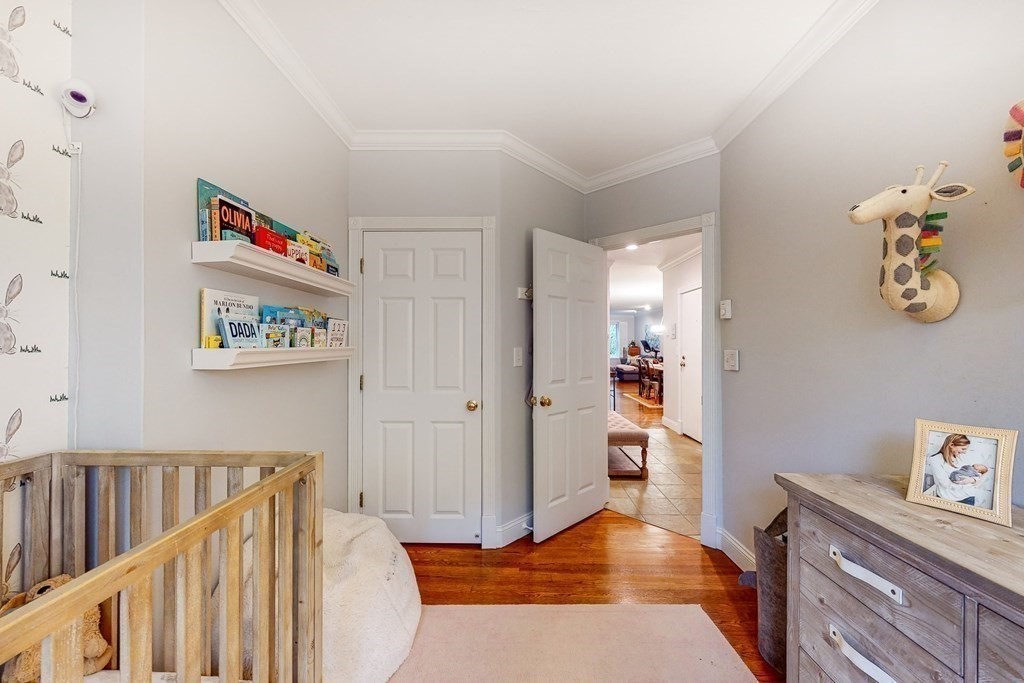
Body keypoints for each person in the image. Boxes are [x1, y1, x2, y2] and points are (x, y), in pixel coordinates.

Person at [926, 434, 987, 505]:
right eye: (963, 449)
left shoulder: (961, 457)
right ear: (951, 445)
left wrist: (972, 480)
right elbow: (945, 484)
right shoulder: (936, 459)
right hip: (948, 499)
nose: (965, 452)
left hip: (968, 497)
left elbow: (978, 474)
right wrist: (965, 483)